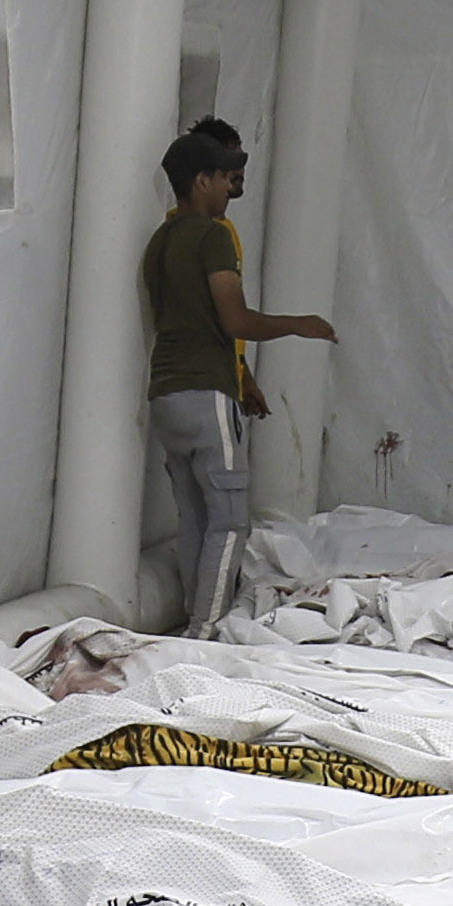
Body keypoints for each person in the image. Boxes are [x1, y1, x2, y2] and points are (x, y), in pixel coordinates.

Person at [141, 117, 332, 633]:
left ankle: (189, 619)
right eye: (224, 177)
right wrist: (301, 325)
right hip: (207, 392)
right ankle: (206, 632)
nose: (231, 187)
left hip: (165, 393)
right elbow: (235, 321)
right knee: (228, 520)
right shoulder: (212, 236)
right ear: (201, 181)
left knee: (194, 520)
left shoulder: (160, 240)